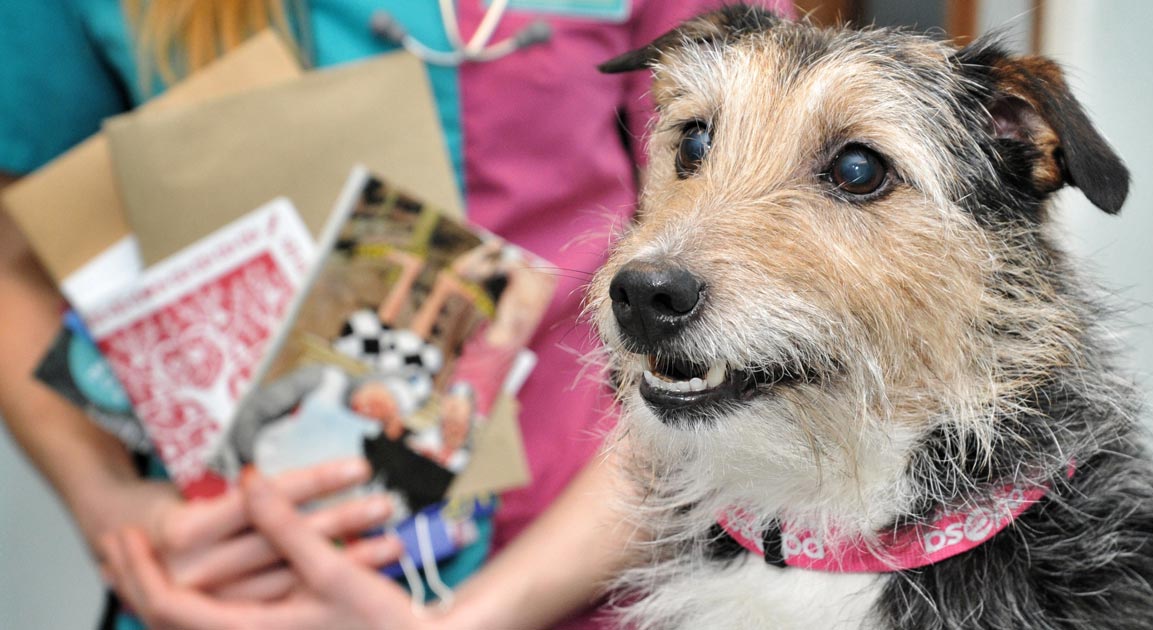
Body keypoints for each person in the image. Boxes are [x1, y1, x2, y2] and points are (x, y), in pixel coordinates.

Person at [0, 0, 793, 627]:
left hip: (602, 564)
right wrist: (107, 504)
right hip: (238, 590)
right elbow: (16, 261)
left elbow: (754, 275)